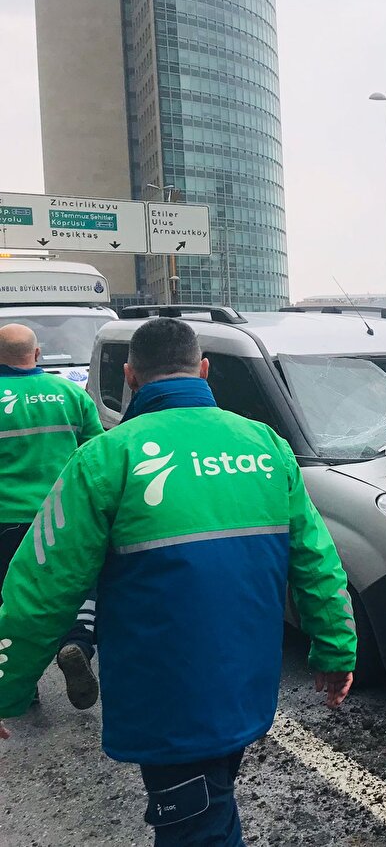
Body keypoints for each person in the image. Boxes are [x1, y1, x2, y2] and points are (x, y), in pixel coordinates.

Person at [0, 317, 358, 846]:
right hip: (245, 684)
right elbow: (316, 560)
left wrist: (7, 688)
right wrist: (336, 649)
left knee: (197, 829)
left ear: (129, 376)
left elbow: (40, 588)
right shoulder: (265, 444)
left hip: (164, 699)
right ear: (204, 370)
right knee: (212, 806)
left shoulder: (106, 458)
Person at [0, 323, 103, 710]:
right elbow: (94, 455)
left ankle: (21, 688)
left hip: (4, 519)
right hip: (60, 517)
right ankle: (76, 644)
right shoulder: (70, 394)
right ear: (37, 354)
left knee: (12, 604)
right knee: (76, 590)